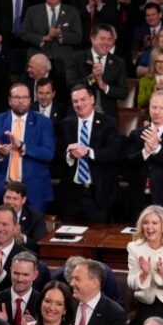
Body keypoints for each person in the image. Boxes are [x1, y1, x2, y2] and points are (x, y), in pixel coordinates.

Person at [56, 85, 121, 223]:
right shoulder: (65, 124)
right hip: (72, 194)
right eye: (75, 101)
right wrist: (70, 156)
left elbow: (114, 153)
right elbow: (57, 155)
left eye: (83, 99)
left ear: (92, 99)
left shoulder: (108, 123)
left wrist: (88, 152)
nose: (79, 104)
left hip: (98, 193)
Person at [124, 91, 163, 224]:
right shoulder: (137, 134)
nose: (157, 111)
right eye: (154, 107)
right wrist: (145, 152)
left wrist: (157, 149)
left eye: (161, 108)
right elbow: (126, 164)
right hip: (138, 201)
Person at [66, 24, 129, 120]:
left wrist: (104, 86)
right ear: (92, 38)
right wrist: (92, 78)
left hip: (107, 115)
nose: (106, 43)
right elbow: (71, 85)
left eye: (109, 39)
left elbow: (123, 93)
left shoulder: (118, 62)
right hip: (80, 112)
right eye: (102, 38)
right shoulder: (77, 58)